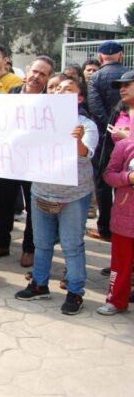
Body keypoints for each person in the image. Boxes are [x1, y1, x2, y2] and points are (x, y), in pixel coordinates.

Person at [14, 77, 98, 315]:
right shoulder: (39, 121)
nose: (61, 92)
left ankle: (75, 291)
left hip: (73, 195)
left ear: (79, 98)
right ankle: (39, 284)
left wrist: (78, 139)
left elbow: (85, 154)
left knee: (72, 245)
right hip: (41, 191)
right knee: (41, 243)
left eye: (68, 90)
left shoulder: (86, 124)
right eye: (57, 89)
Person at [0, 56, 55, 268]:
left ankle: (29, 248)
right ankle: (1, 242)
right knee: (5, 204)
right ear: (27, 71)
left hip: (35, 165)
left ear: (47, 79)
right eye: (35, 72)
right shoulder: (10, 95)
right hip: (9, 161)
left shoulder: (51, 102)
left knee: (33, 207)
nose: (37, 77)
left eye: (43, 74)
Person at [98, 73, 134, 315]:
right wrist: (128, 179)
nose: (122, 89)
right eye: (120, 86)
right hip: (125, 212)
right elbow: (108, 174)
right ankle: (116, 299)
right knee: (121, 261)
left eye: (127, 85)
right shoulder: (123, 144)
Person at [87, 41, 129, 241]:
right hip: (128, 138)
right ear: (121, 55)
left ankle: (105, 228)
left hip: (105, 140)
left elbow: (95, 107)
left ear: (100, 57)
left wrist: (108, 130)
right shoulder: (129, 73)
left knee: (103, 183)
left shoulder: (96, 77)